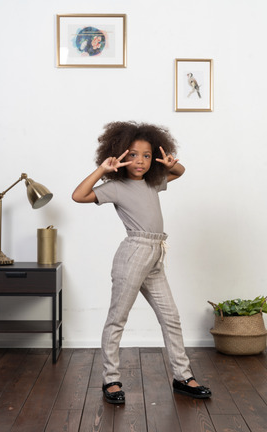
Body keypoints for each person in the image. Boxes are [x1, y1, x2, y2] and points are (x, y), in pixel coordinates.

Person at [72, 121, 211, 403]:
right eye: (133, 154)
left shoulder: (153, 182)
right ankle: (110, 380)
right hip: (134, 253)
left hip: (157, 253)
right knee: (117, 319)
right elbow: (78, 195)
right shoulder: (115, 186)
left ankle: (183, 376)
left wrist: (170, 162)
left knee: (170, 317)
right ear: (120, 155)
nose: (140, 161)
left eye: (147, 156)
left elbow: (179, 172)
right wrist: (102, 169)